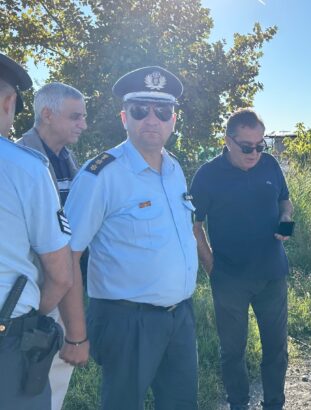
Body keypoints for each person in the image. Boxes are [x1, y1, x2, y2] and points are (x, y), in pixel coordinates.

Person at [63, 66, 199, 409]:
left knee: (182, 404)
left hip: (180, 316)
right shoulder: (101, 174)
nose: (152, 119)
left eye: (162, 111)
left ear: (173, 120)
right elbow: (67, 255)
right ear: (125, 118)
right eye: (140, 110)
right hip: (126, 321)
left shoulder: (174, 168)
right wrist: (76, 334)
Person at [190, 108, 292, 410]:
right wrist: (211, 267)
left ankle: (274, 404)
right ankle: (238, 404)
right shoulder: (207, 175)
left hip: (272, 274)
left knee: (276, 349)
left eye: (261, 145)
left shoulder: (270, 164)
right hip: (229, 278)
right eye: (247, 147)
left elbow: (285, 201)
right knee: (232, 351)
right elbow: (194, 226)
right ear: (228, 141)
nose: (255, 153)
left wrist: (286, 220)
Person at [0, 53, 73, 409]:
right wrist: (33, 319)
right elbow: (60, 275)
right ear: (8, 102)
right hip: (8, 342)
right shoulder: (24, 168)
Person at [16, 82, 88, 410]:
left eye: (83, 117)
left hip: (64, 285)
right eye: (75, 117)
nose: (83, 124)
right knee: (23, 379)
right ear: (47, 114)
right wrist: (40, 308)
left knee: (55, 376)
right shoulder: (19, 161)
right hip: (32, 290)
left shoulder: (67, 159)